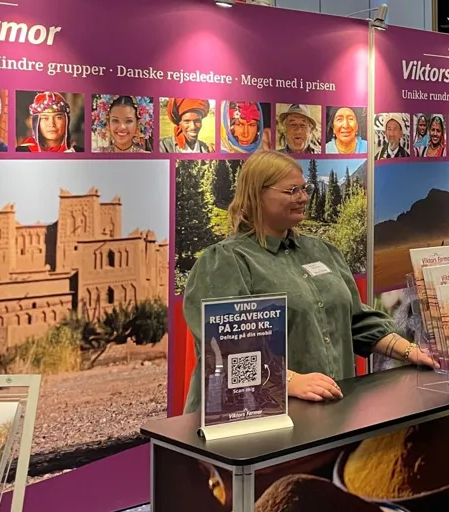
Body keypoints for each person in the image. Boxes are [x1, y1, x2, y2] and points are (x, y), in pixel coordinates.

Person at [182, 151, 435, 411]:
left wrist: (410, 351)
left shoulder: (322, 251)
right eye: (292, 191)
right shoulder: (226, 261)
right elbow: (224, 347)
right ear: (257, 194)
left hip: (330, 411)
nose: (303, 198)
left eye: (305, 189)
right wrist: (288, 381)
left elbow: (355, 320)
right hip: (260, 418)